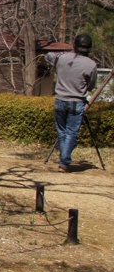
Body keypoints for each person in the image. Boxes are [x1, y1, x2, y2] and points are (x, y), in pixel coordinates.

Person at [45, 33, 98, 172]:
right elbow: (91, 85)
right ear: (89, 48)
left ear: (74, 45)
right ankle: (64, 161)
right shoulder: (91, 65)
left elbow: (48, 56)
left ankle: (64, 158)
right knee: (71, 133)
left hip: (60, 99)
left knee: (62, 132)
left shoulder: (62, 58)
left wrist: (64, 52)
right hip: (76, 101)